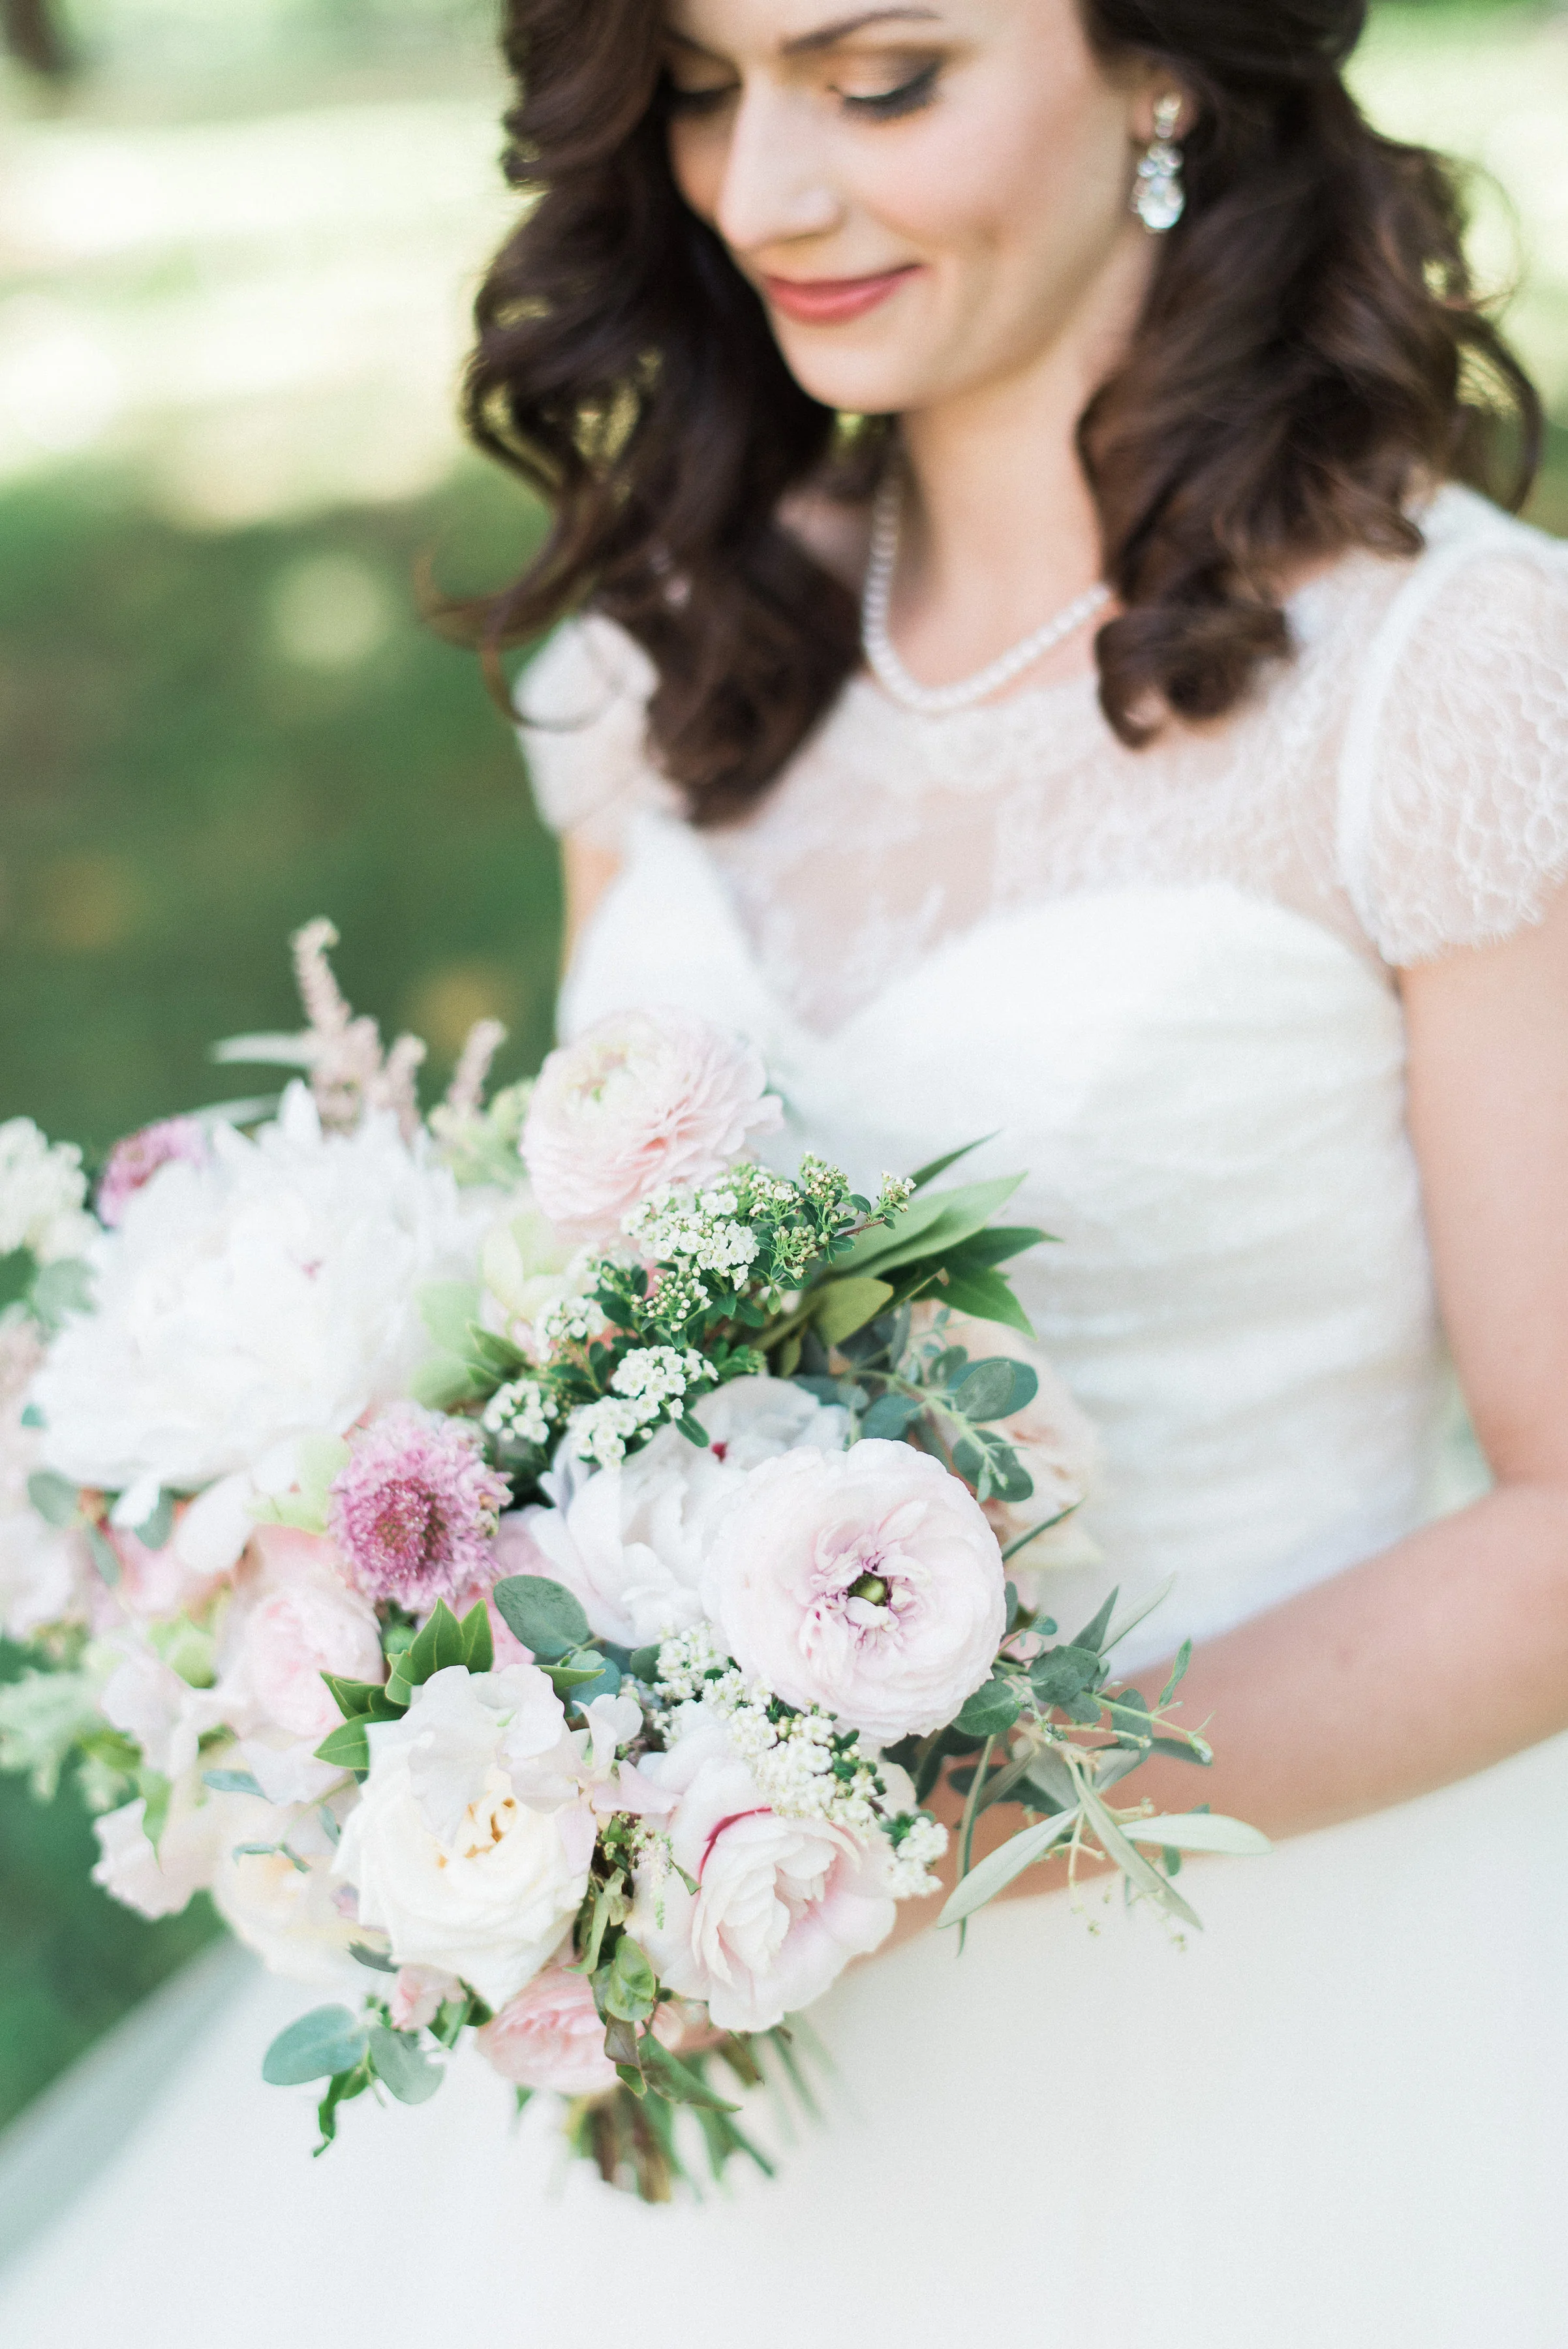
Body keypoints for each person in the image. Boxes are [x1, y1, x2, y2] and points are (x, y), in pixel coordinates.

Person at [1, 3, 1565, 2342]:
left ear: (1163, 67)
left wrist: (945, 1834)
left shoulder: (1444, 678)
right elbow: (559, 1320)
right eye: (713, 89)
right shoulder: (674, 642)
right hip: (692, 2034)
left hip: (1258, 1987)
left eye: (882, 78)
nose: (759, 194)